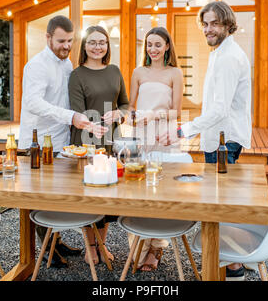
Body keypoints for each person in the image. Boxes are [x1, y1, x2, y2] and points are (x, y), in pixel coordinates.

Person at [159, 1, 252, 280]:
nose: (208, 29)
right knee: (221, 200)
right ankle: (228, 264)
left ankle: (228, 268)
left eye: (215, 23)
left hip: (225, 141)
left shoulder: (228, 57)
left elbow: (220, 110)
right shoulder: (219, 52)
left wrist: (182, 131)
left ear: (227, 25)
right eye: (205, 23)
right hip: (219, 137)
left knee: (218, 204)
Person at [18, 16, 107, 268]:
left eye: (70, 41)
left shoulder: (67, 62)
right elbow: (33, 103)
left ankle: (55, 243)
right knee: (37, 198)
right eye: (60, 41)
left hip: (60, 141)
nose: (66, 46)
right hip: (36, 143)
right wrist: (72, 116)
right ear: (47, 38)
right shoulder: (36, 66)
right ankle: (44, 252)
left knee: (53, 196)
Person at [68, 25, 129, 265]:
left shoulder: (114, 71)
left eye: (102, 42)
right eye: (92, 42)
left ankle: (102, 244)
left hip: (112, 142)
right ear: (84, 46)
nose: (97, 47)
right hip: (86, 142)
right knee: (90, 197)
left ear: (107, 45)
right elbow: (76, 112)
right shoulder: (77, 75)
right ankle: (90, 247)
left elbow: (125, 103)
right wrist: (91, 127)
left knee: (109, 198)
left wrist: (120, 115)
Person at [127, 26, 184, 271]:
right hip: (141, 135)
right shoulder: (138, 72)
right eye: (149, 44)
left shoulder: (175, 73)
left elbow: (177, 112)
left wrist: (155, 114)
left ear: (167, 46)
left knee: (162, 192)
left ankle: (157, 245)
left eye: (158, 44)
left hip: (165, 134)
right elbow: (130, 107)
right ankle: (139, 246)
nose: (153, 49)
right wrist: (131, 117)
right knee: (139, 191)